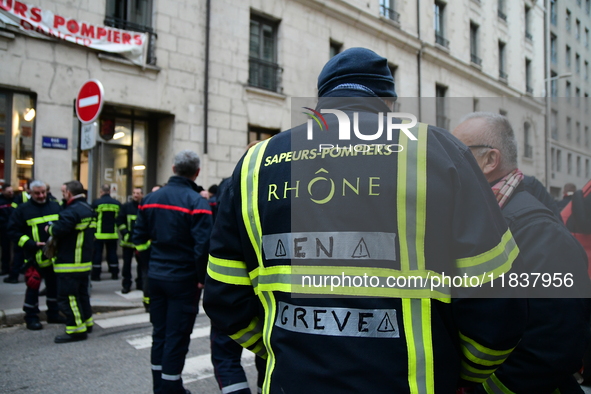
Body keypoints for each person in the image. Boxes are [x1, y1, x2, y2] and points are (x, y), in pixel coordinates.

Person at [203, 47, 527, 393]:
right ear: (388, 103)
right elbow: (498, 299)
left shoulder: (257, 162)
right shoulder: (438, 152)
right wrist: (462, 371)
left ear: (322, 101)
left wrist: (276, 346)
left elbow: (224, 295)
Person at [453, 112, 591, 393]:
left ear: (490, 160)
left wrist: (485, 389)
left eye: (459, 153)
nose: (450, 162)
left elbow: (554, 342)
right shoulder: (489, 218)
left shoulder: (537, 230)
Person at [133, 150, 213, 393]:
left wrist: (150, 265)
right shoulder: (197, 203)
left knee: (160, 333)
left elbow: (138, 240)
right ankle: (170, 389)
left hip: (156, 277)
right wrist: (201, 279)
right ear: (197, 172)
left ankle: (162, 386)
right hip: (183, 280)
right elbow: (203, 248)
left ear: (173, 168)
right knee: (177, 336)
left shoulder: (149, 200)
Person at [7, 180, 64, 330]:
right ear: (30, 193)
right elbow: (12, 232)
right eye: (37, 193)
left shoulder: (55, 206)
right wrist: (30, 243)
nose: (41, 195)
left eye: (43, 192)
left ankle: (53, 314)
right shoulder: (22, 210)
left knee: (54, 287)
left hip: (53, 255)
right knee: (33, 287)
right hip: (33, 256)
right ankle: (31, 317)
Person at [47, 180, 96, 343]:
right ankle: (86, 323)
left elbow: (59, 230)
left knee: (68, 297)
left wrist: (50, 228)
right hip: (83, 261)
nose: (63, 196)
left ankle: (76, 330)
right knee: (82, 295)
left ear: (68, 193)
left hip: (69, 262)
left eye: (63, 193)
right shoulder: (88, 208)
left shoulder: (72, 211)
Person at [117, 187, 147, 294]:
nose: (135, 195)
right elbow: (119, 221)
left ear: (142, 194)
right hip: (127, 242)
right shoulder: (126, 206)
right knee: (127, 265)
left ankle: (140, 284)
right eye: (134, 193)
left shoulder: (144, 206)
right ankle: (126, 285)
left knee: (142, 265)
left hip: (140, 242)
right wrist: (125, 232)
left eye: (138, 193)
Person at [91, 184, 122, 281]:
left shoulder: (96, 203)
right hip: (112, 234)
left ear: (101, 192)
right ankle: (114, 273)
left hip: (99, 234)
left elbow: (93, 218)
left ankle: (96, 275)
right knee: (112, 254)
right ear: (109, 191)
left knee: (97, 255)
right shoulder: (117, 203)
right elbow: (119, 218)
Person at [0, 185, 15, 276]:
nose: (11, 193)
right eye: (9, 192)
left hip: (13, 228)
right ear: (3, 191)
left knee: (15, 250)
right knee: (5, 249)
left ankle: (13, 268)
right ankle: (5, 268)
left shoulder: (14, 200)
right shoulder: (1, 201)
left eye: (12, 191)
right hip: (3, 228)